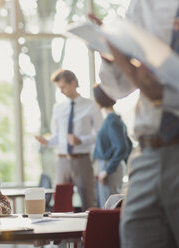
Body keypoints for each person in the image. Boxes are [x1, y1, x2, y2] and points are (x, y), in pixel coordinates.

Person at [90, 0, 179, 246]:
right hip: (148, 153)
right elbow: (118, 88)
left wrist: (165, 93)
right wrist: (110, 56)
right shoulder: (142, 5)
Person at [35, 69, 103, 211]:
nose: (61, 91)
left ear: (73, 83)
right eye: (59, 88)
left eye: (63, 87)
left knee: (88, 202)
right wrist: (47, 141)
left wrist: (81, 140)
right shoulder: (59, 108)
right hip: (62, 161)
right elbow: (58, 137)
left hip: (82, 160)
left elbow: (100, 134)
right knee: (60, 203)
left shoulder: (91, 106)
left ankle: (87, 232)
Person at [92, 84, 132, 208]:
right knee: (109, 206)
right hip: (110, 166)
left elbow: (123, 147)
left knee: (109, 207)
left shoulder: (111, 120)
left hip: (109, 167)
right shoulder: (114, 119)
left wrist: (107, 170)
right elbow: (128, 145)